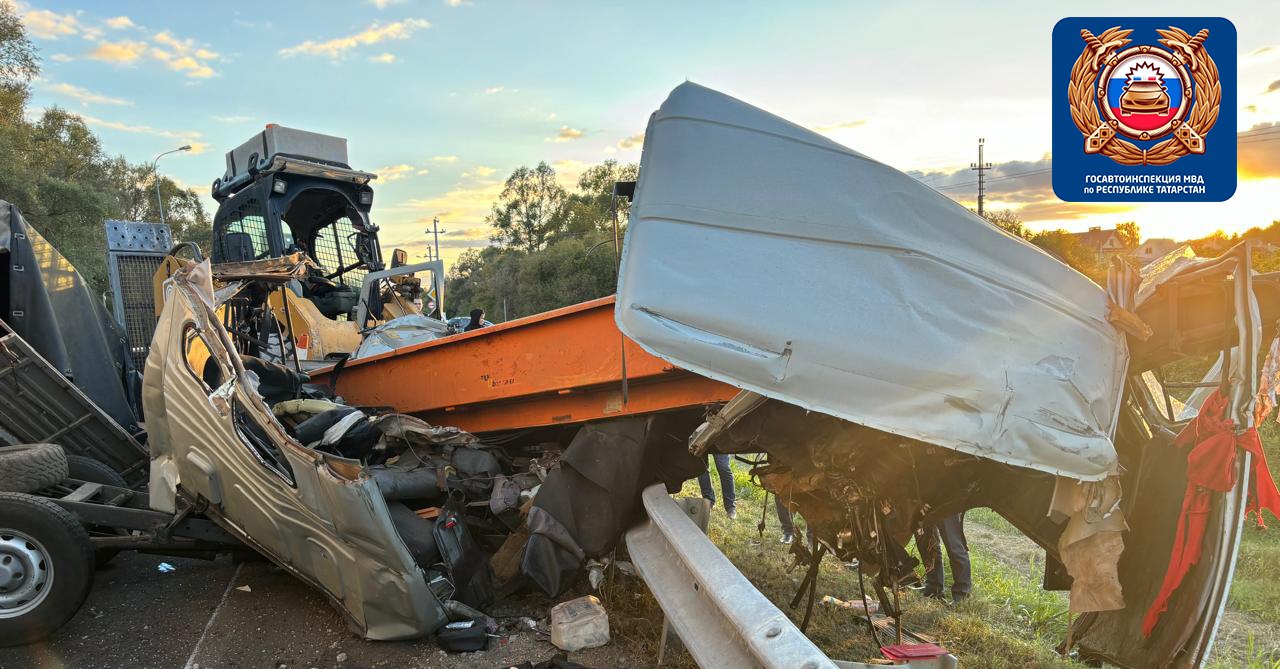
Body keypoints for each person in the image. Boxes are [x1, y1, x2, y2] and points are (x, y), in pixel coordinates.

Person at [919, 512, 971, 603]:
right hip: (922, 502)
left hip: (946, 502)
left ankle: (962, 596)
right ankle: (934, 589)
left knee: (954, 545)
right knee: (928, 545)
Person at [697, 453, 736, 518]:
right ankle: (708, 501)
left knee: (723, 467)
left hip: (720, 443)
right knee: (701, 468)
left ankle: (730, 506)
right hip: (701, 443)